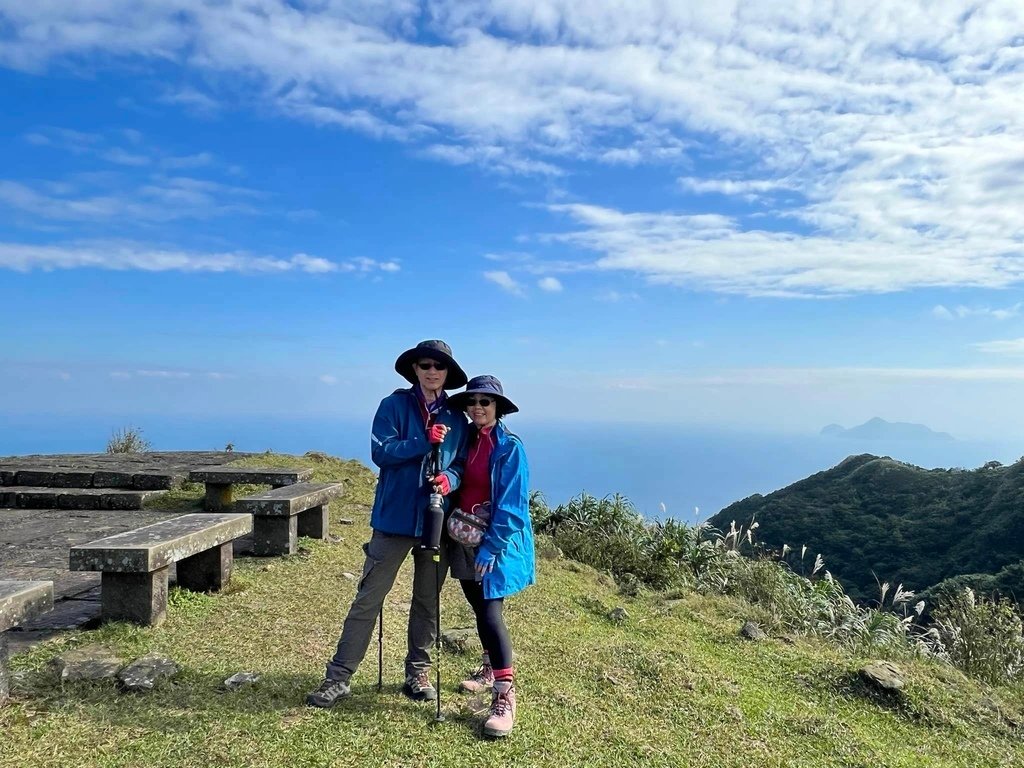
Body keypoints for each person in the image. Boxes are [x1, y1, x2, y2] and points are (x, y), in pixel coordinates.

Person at [306, 340, 468, 708]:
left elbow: (460, 464)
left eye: (439, 367)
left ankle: (417, 672)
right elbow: (381, 452)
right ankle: (339, 677)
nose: (432, 371)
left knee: (427, 601)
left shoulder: (457, 417)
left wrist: (449, 481)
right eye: (425, 365)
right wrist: (422, 442)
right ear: (414, 369)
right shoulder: (393, 406)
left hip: (435, 521)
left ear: (447, 373)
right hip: (392, 521)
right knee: (369, 599)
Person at [440, 375, 534, 738]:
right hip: (464, 536)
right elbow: (461, 471)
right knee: (478, 608)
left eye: (486, 402)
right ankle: (489, 667)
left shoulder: (509, 447)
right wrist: (449, 479)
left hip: (492, 543)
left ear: (498, 407)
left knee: (491, 612)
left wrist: (493, 547)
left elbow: (513, 507)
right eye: (473, 402)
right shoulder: (470, 440)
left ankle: (505, 697)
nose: (478, 407)